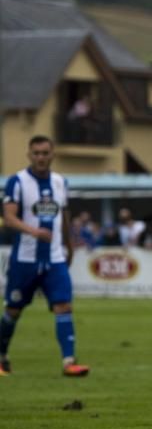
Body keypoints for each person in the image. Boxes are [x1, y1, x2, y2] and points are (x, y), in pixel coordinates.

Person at [0, 135, 89, 377]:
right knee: (13, 310)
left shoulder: (60, 182)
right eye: (36, 153)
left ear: (53, 155)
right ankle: (1, 356)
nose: (40, 157)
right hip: (25, 260)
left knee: (63, 305)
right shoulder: (17, 181)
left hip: (55, 259)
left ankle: (69, 362)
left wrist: (70, 247)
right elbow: (8, 218)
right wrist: (34, 232)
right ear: (29, 155)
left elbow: (65, 216)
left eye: (45, 153)